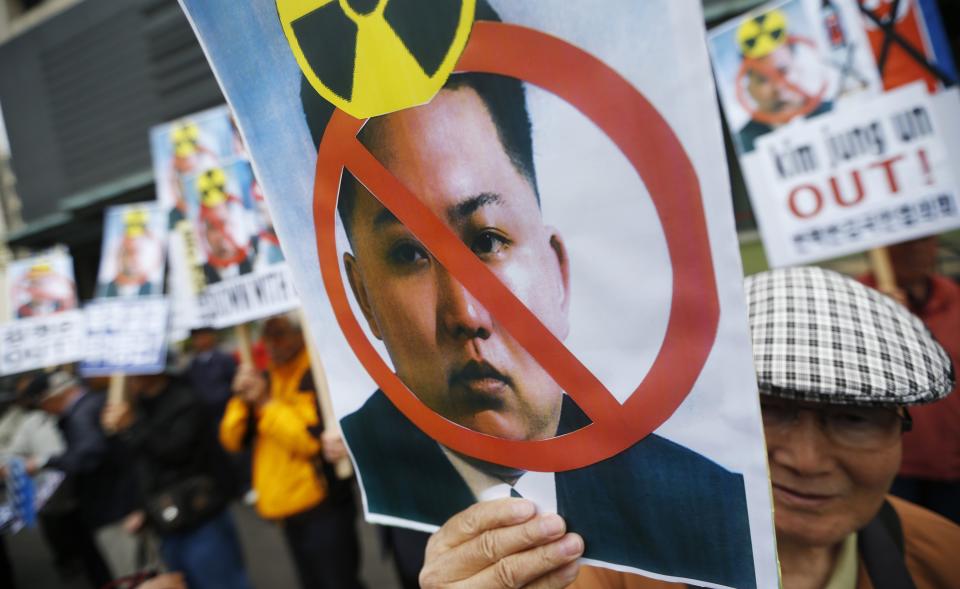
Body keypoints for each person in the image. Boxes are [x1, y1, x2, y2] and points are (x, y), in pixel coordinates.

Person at [419, 267, 960, 589]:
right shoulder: (603, 566)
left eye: (853, 420)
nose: (806, 458)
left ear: (900, 435)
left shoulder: (940, 556)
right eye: (768, 410)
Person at [220, 313, 365, 589]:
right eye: (268, 336)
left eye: (280, 334)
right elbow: (231, 440)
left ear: (302, 334)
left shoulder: (316, 375)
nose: (272, 343)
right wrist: (242, 398)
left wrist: (265, 401)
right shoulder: (266, 376)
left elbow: (307, 442)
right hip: (288, 513)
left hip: (323, 510)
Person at [101, 365, 252, 589]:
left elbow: (175, 451)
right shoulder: (138, 405)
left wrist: (133, 425)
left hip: (200, 518)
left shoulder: (185, 398)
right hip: (166, 523)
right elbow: (142, 467)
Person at [860, 235, 960, 524]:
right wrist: (880, 320)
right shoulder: (857, 300)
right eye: (904, 243)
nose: (915, 251)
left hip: (952, 463)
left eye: (925, 241)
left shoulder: (953, 297)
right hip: (893, 467)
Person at [23, 370, 142, 581]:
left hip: (112, 508)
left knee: (133, 575)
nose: (45, 411)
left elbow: (87, 456)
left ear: (51, 397)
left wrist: (45, 461)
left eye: (42, 405)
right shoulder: (92, 404)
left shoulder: (80, 415)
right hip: (121, 503)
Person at [734, 10, 832, 153]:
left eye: (783, 71)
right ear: (749, 89)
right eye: (764, 79)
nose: (779, 87)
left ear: (799, 68)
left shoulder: (831, 111)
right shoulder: (744, 142)